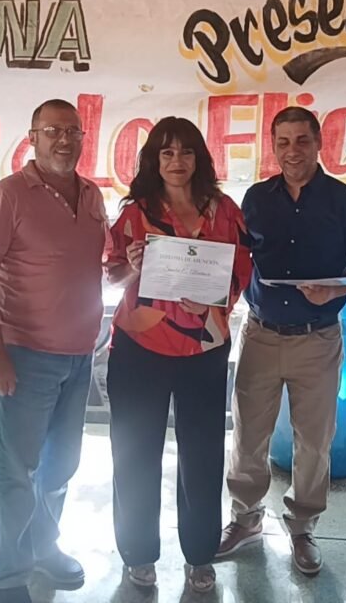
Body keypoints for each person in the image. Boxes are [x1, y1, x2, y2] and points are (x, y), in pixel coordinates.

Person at [217, 106, 346, 576]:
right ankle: (245, 519)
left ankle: (303, 527)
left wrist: (337, 289)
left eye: (302, 141)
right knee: (248, 436)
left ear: (319, 143)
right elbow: (237, 256)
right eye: (284, 142)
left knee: (314, 442)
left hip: (318, 339)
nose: (293, 151)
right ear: (273, 147)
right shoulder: (255, 199)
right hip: (260, 334)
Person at [104, 117, 252, 594]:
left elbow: (242, 272)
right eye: (166, 153)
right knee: (134, 454)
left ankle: (200, 554)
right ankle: (138, 553)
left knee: (203, 456)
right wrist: (132, 268)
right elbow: (111, 276)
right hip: (138, 349)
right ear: (154, 159)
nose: (176, 161)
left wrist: (211, 301)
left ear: (199, 158)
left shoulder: (225, 211)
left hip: (203, 348)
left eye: (186, 151)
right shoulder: (135, 214)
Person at [0, 99, 107, 603]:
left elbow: (96, 266)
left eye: (73, 131)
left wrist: (139, 264)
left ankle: (45, 547)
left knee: (60, 466)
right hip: (23, 357)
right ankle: (11, 572)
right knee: (17, 470)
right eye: (53, 131)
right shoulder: (8, 196)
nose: (64, 140)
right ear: (33, 138)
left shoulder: (92, 195)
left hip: (78, 357)